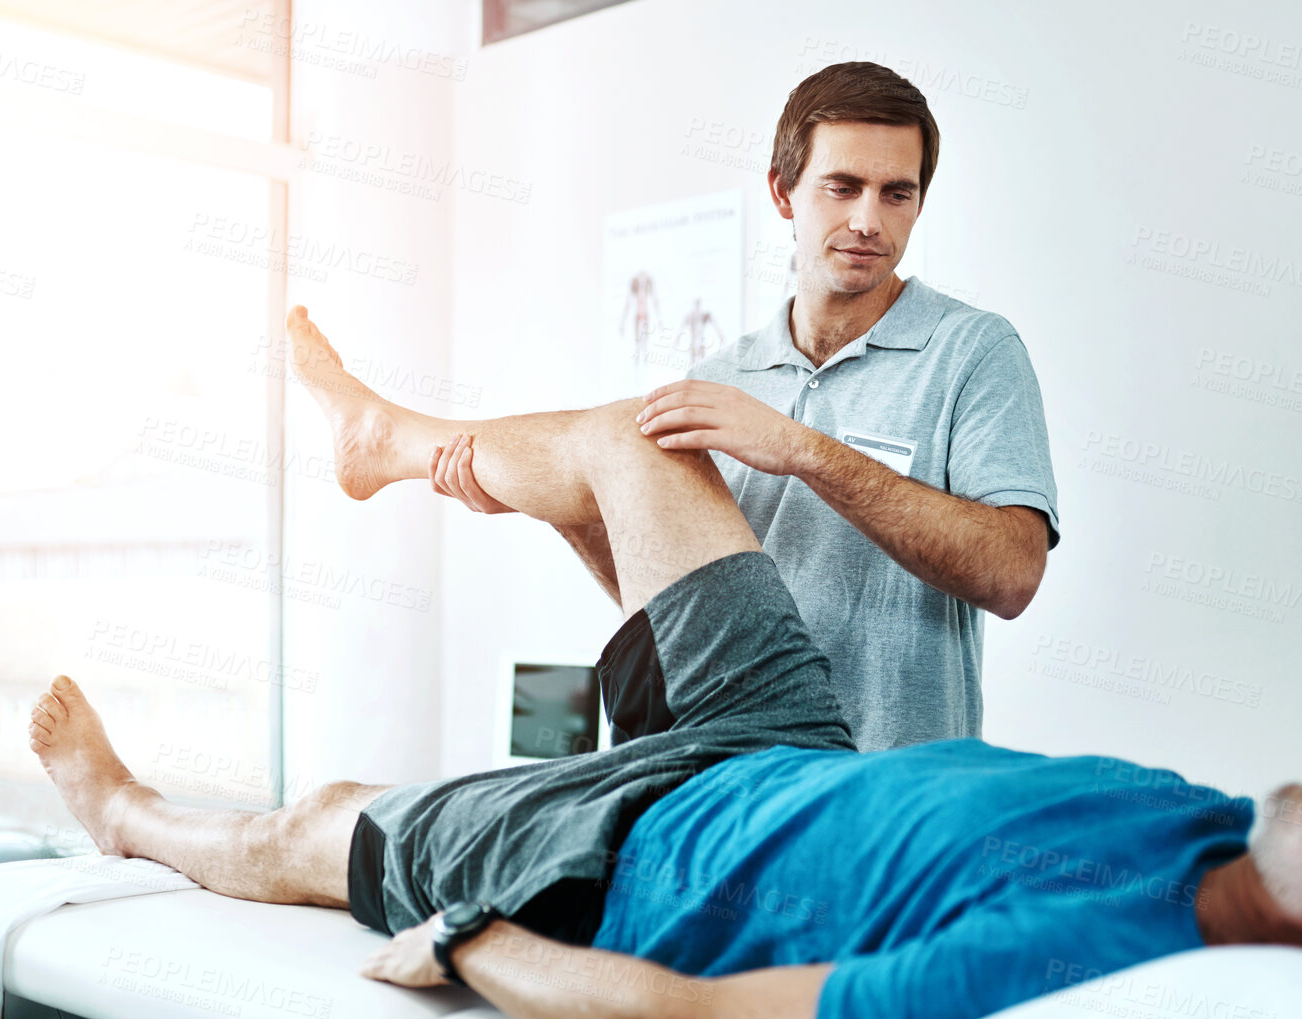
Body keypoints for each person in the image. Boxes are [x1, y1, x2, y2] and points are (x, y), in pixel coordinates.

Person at [23, 307, 1302, 1019]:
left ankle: (130, 816)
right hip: (793, 747)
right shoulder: (1233, 837)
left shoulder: (1084, 978)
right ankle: (385, 438)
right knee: (629, 443)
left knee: (328, 821)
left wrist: (471, 940)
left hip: (633, 844)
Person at [432, 62, 1059, 752]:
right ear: (783, 192)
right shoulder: (721, 380)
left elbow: (1010, 576)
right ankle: (395, 443)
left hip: (895, 804)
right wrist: (566, 518)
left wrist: (800, 450)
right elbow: (684, 622)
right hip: (737, 789)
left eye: (896, 193)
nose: (866, 220)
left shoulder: (972, 351)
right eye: (842, 186)